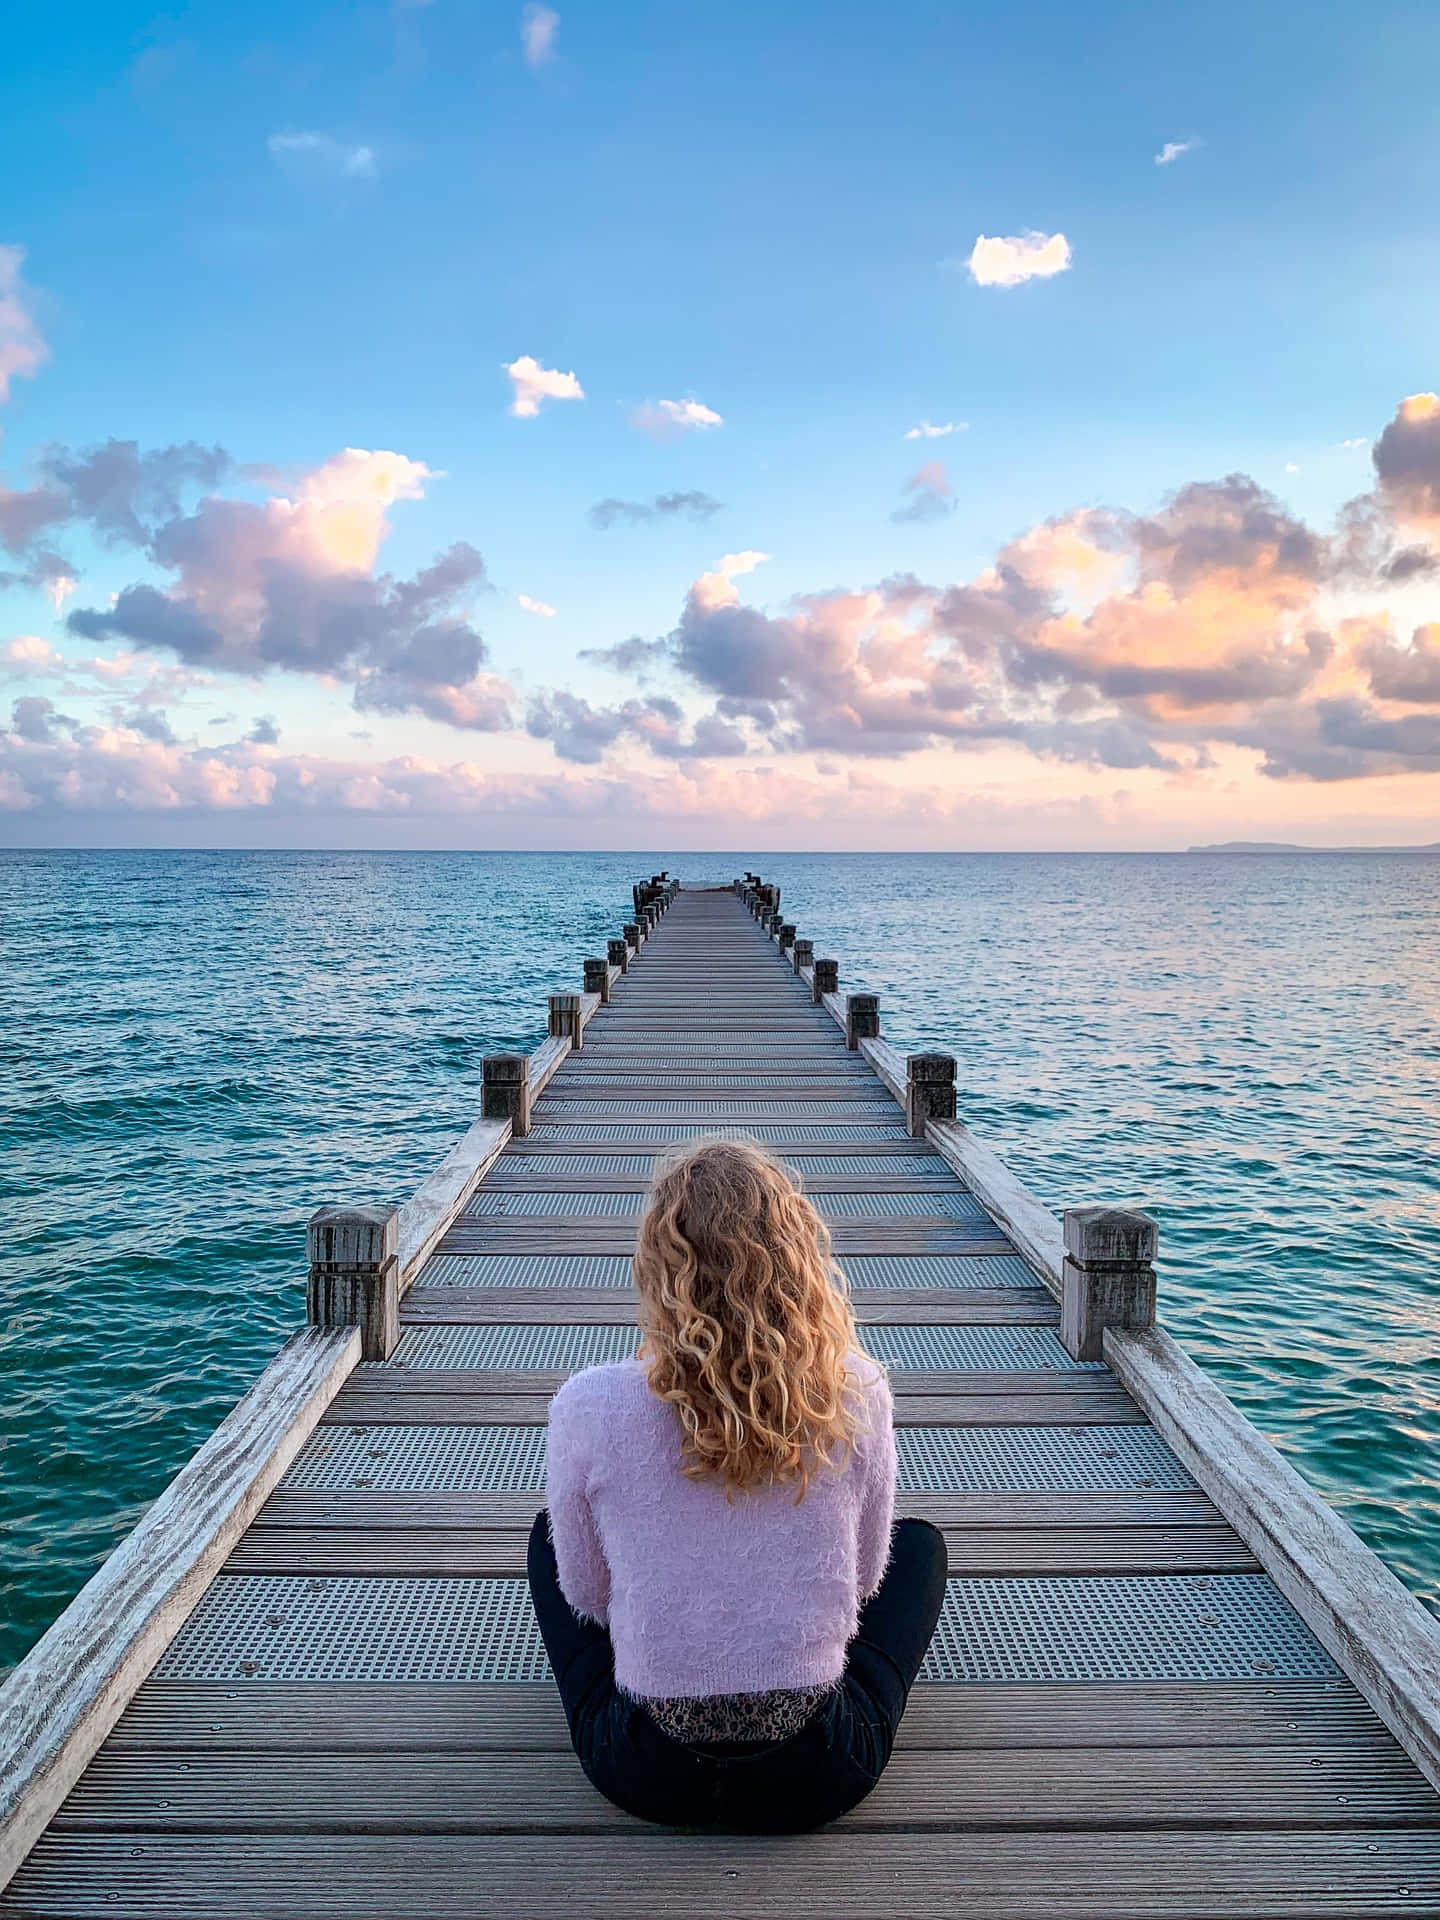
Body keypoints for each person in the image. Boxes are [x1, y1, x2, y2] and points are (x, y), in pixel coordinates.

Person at [526, 1136, 948, 1832]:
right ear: (798, 1263)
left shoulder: (589, 1404)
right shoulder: (857, 1390)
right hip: (816, 1771)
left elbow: (588, 1598)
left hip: (644, 1771)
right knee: (921, 1549)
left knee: (550, 1538)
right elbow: (867, 1580)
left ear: (658, 1268)